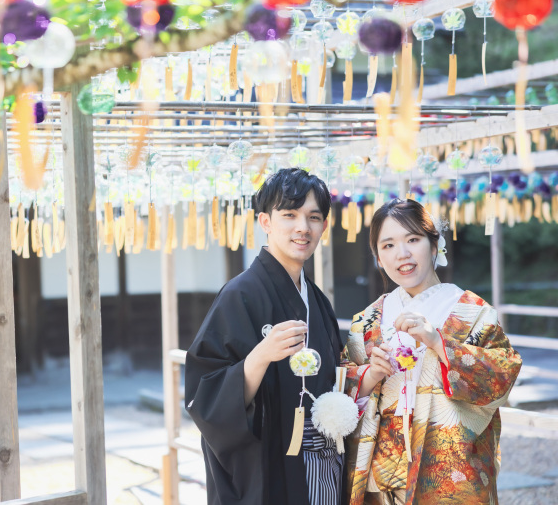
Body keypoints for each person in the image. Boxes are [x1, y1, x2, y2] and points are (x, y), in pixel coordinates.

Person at [341, 199, 522, 505]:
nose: (402, 254)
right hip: (381, 474)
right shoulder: (366, 321)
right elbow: (340, 387)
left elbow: (503, 373)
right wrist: (370, 375)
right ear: (378, 257)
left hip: (450, 472)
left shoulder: (471, 312)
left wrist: (438, 342)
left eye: (413, 239)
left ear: (434, 245)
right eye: (388, 245)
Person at [185, 168, 346, 505]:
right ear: (265, 222)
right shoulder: (239, 294)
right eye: (289, 214)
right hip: (267, 468)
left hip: (321, 467)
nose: (303, 227)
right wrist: (261, 355)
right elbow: (205, 395)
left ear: (324, 227)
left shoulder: (316, 300)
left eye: (313, 217)